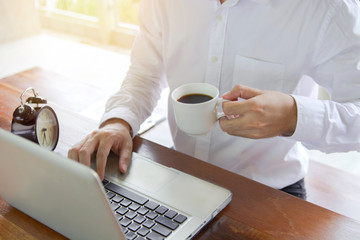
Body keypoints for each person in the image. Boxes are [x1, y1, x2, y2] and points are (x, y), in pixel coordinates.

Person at [68, 0, 360, 200]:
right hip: (181, 175)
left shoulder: (326, 9)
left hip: (270, 193)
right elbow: (145, 73)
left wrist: (294, 116)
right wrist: (119, 121)